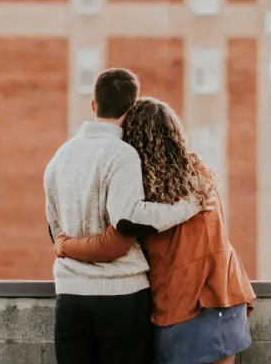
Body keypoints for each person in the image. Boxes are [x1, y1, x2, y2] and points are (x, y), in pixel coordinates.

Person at [54, 97, 256, 364]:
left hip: (180, 308)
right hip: (224, 296)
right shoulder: (200, 176)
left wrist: (63, 245)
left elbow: (112, 244)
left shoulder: (144, 192)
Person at [44, 69, 202, 364]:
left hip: (70, 298)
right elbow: (128, 219)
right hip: (121, 297)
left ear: (94, 104)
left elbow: (55, 233)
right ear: (132, 108)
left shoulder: (59, 158)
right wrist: (187, 206)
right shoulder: (122, 154)